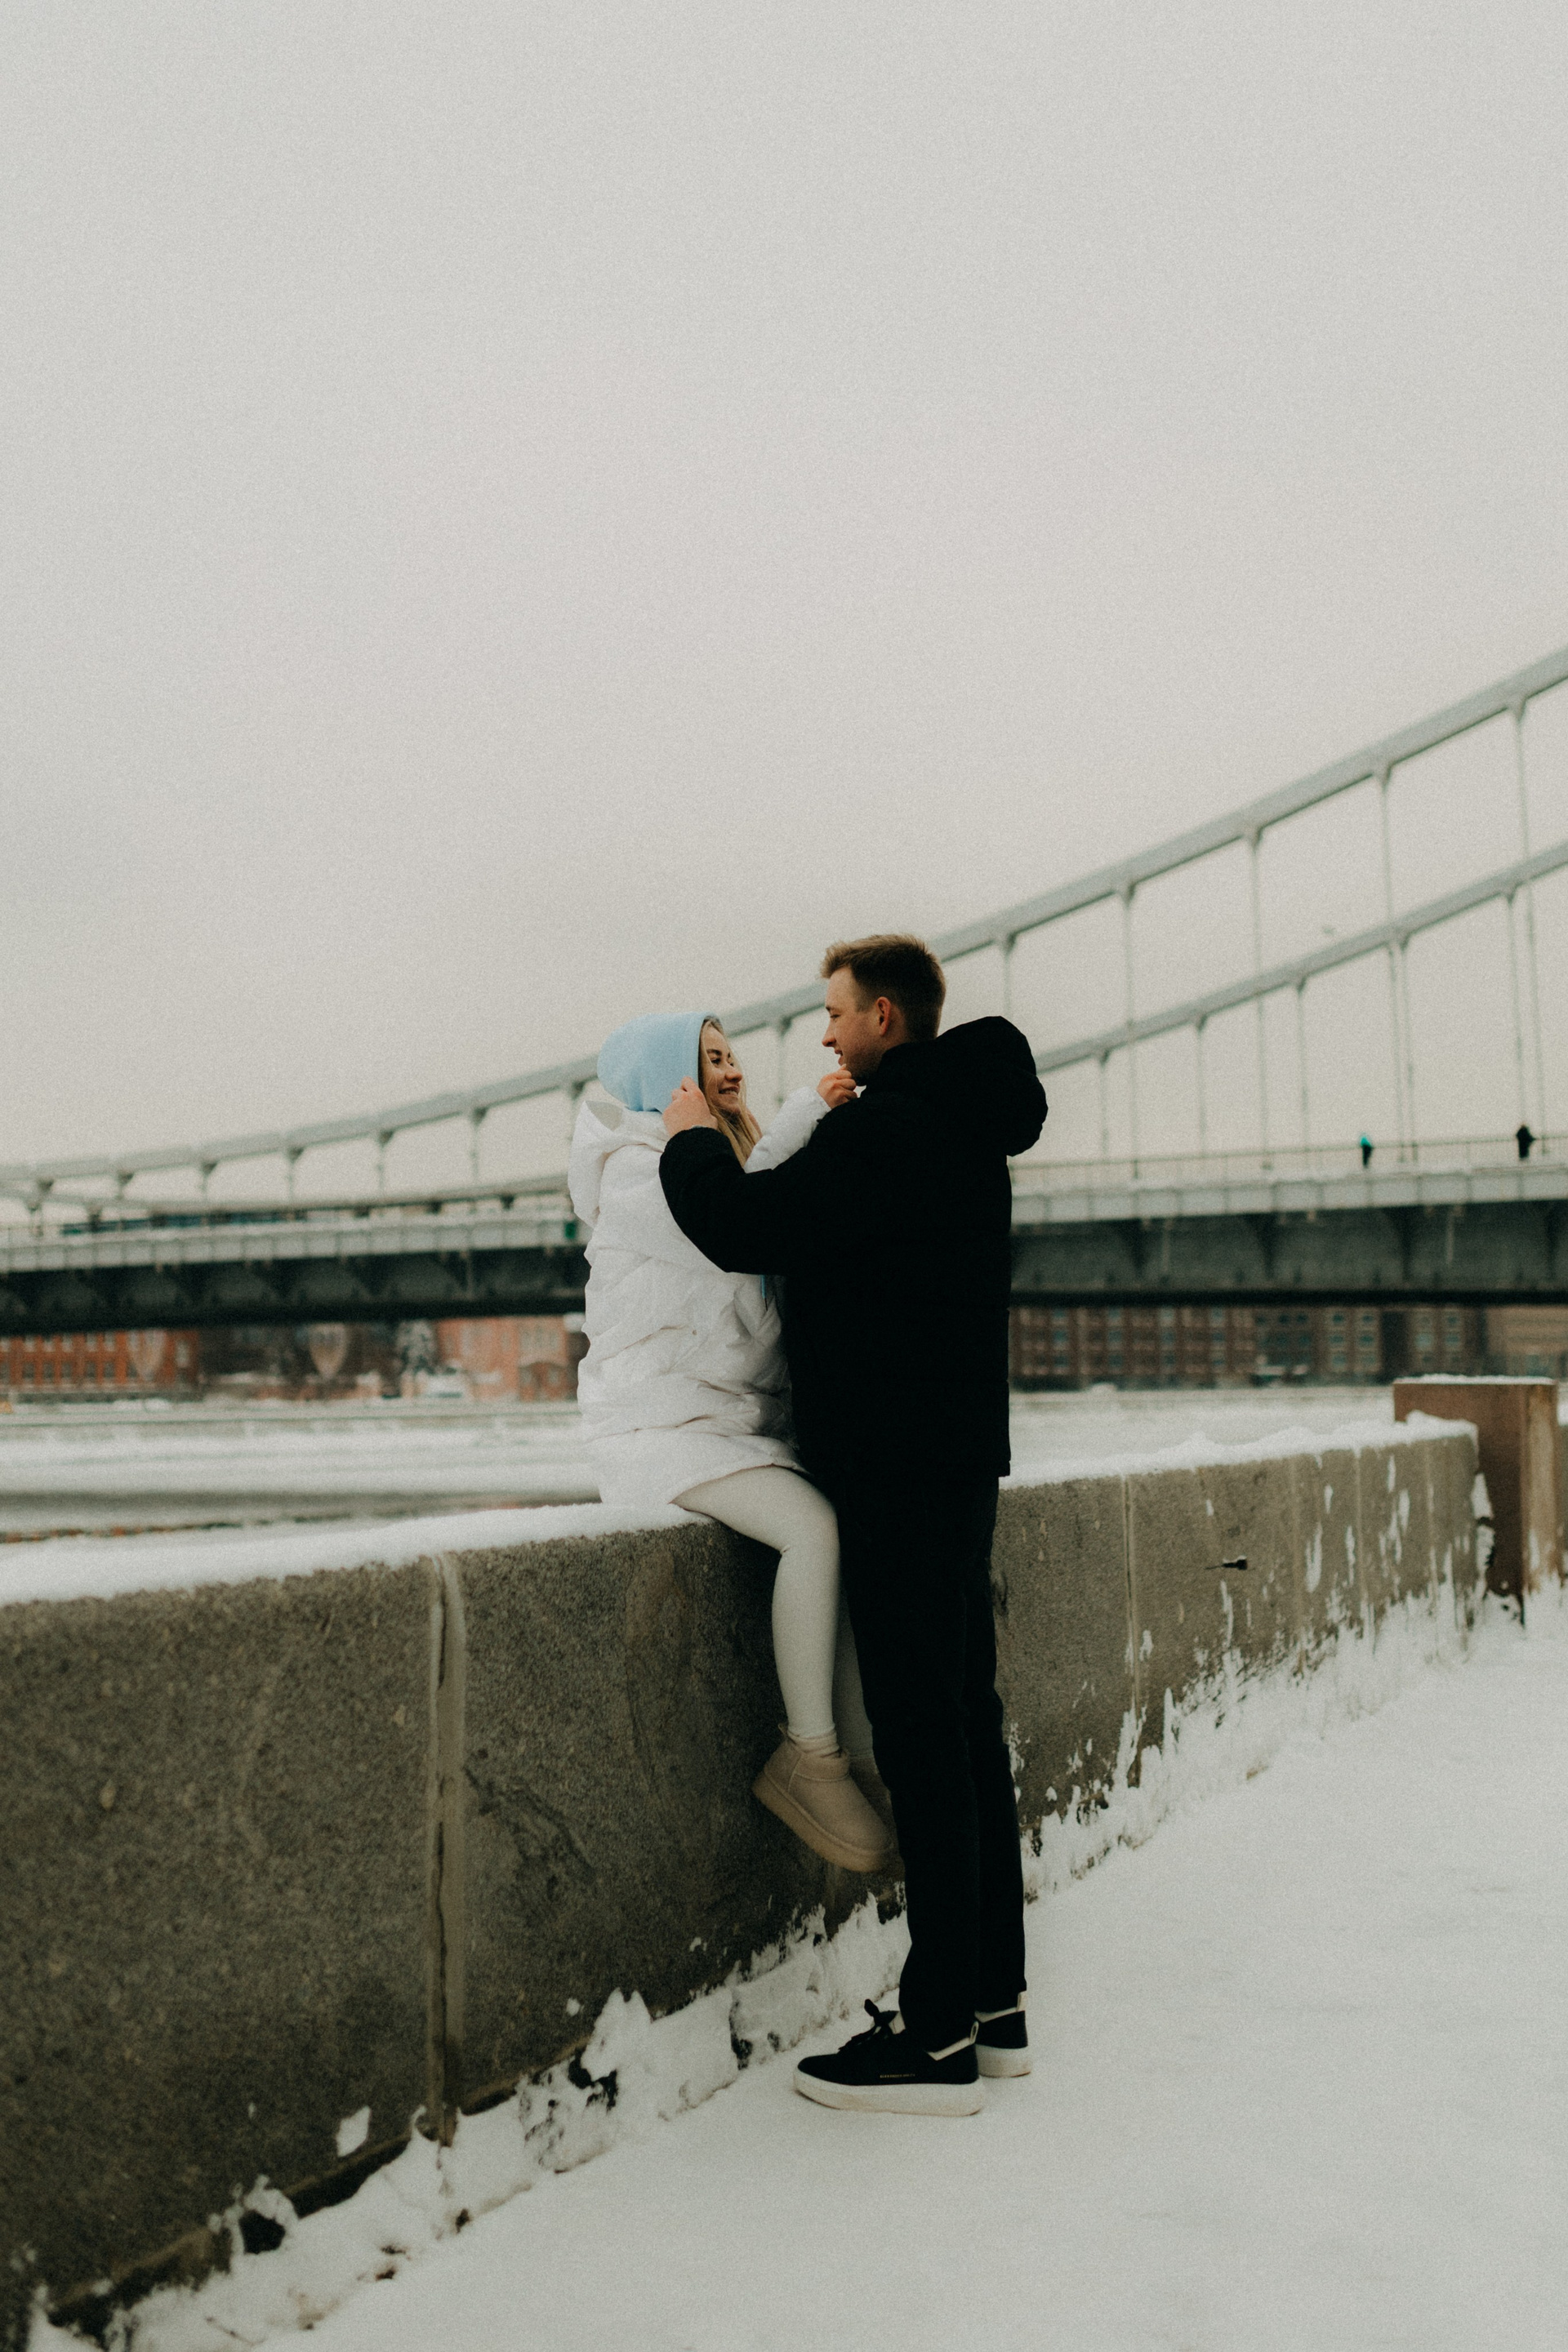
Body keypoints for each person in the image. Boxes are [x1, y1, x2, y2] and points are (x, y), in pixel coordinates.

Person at [660, 935, 1048, 2118]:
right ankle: (991, 2007)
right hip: (955, 1461)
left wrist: (687, 1136)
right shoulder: (967, 1125)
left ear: (884, 1016)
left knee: (924, 1743)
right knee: (964, 1728)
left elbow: (743, 1225)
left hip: (893, 1471)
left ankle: (934, 2044)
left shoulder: (890, 1130)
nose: (824, 1034)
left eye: (834, 1014)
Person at [568, 1010, 890, 1874]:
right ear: (667, 1080)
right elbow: (730, 1231)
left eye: (732, 1054)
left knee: (845, 1529)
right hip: (656, 1426)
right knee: (812, 1531)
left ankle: (863, 1760)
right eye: (710, 1058)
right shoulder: (637, 1172)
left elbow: (755, 1209)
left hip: (722, 1425)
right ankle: (810, 1760)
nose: (731, 1069)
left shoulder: (714, 1158)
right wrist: (802, 1116)